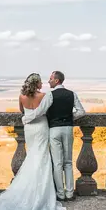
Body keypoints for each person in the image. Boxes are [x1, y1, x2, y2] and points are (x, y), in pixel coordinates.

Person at [0, 73, 66, 210]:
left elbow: (22, 110)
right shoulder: (45, 96)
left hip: (30, 130)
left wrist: (27, 117)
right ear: (37, 84)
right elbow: (45, 112)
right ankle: (40, 194)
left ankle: (28, 190)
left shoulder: (22, 96)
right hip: (41, 127)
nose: (42, 83)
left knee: (33, 156)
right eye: (40, 82)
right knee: (42, 157)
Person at [22, 71, 85, 202]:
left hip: (54, 130)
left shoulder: (50, 95)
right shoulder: (72, 94)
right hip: (68, 128)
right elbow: (81, 112)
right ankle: (69, 193)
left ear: (57, 80)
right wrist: (69, 118)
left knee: (57, 163)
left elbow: (40, 111)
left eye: (50, 79)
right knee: (68, 162)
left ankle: (60, 194)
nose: (48, 81)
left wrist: (27, 118)